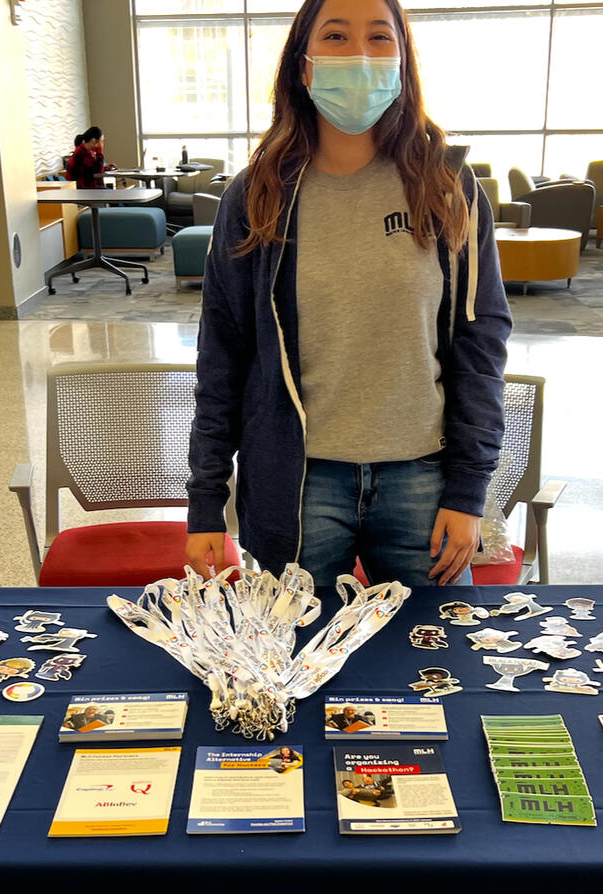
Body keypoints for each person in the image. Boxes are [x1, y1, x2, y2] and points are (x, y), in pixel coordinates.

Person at [184, 0, 511, 588]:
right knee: (295, 665)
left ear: (402, 62)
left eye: (379, 38)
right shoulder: (255, 196)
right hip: (298, 483)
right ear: (304, 66)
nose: (359, 54)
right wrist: (206, 498)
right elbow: (223, 357)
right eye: (335, 36)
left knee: (433, 665)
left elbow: (480, 344)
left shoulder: (447, 187)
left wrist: (469, 491)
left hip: (422, 480)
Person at [71, 126, 116, 191]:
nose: (102, 144)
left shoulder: (87, 151)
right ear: (93, 141)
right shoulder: (81, 152)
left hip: (86, 186)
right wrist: (99, 150)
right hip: (82, 189)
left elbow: (92, 169)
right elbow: (98, 172)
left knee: (112, 192)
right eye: (101, 141)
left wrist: (106, 168)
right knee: (113, 194)